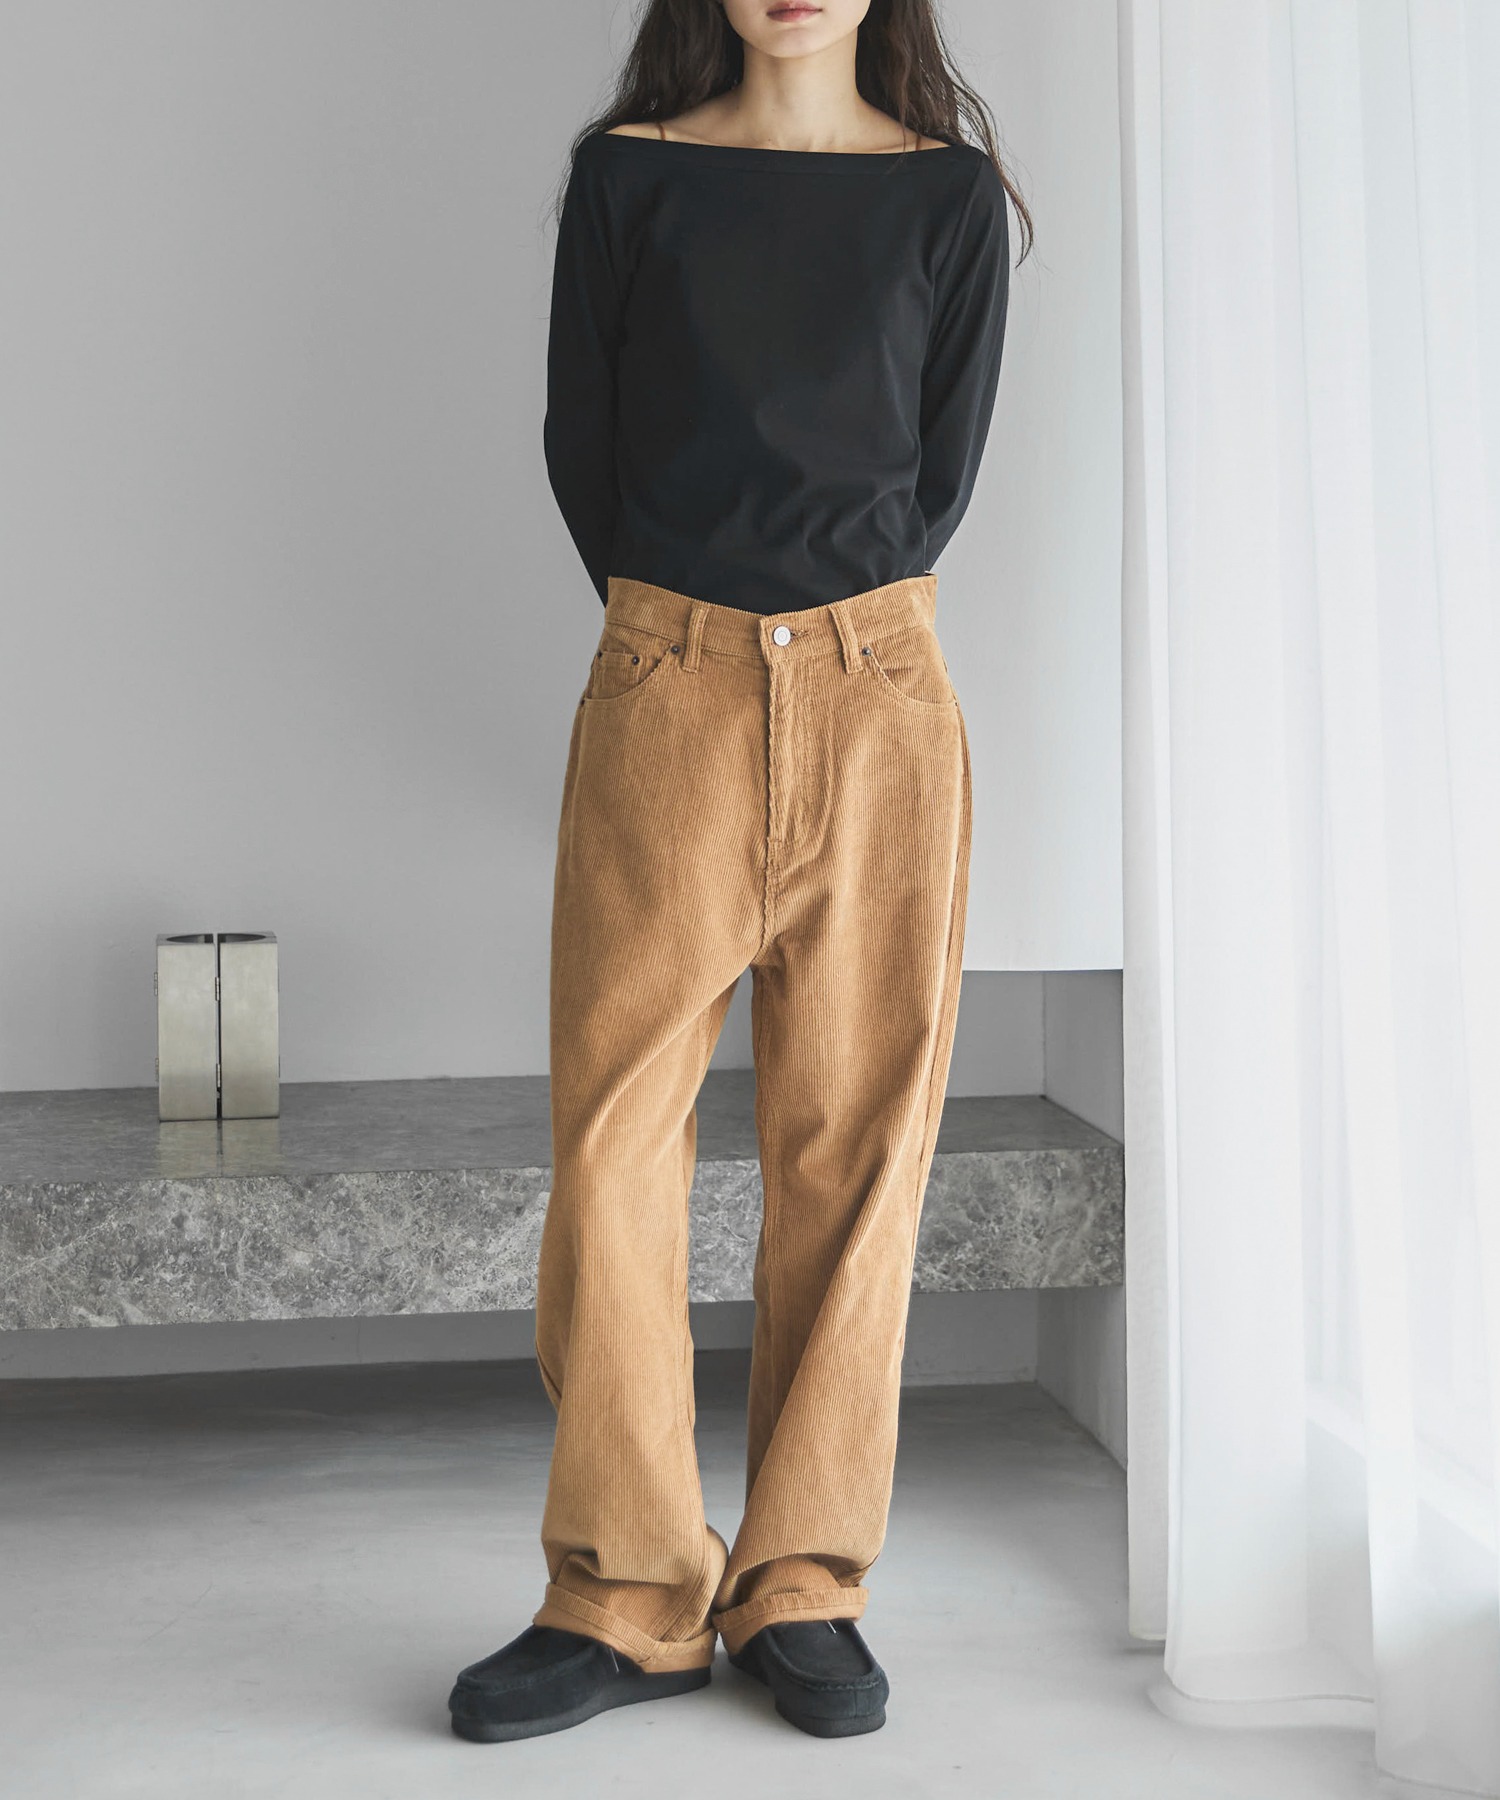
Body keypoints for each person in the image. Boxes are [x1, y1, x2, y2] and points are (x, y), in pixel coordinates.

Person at [449, 0, 1029, 1745]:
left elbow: (937, 474)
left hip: (879, 690)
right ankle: (625, 1594)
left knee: (855, 1146)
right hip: (669, 681)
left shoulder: (947, 196)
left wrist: (823, 633)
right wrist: (686, 641)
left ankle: (802, 1582)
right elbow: (587, 449)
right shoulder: (630, 179)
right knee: (614, 1139)